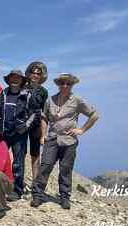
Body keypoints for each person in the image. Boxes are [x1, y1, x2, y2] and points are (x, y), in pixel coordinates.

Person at [31, 73, 99, 209]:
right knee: (45, 166)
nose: (65, 85)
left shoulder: (77, 100)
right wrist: (43, 135)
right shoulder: (51, 100)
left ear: (72, 85)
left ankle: (64, 197)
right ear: (58, 84)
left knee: (66, 169)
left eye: (68, 83)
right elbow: (44, 117)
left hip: (69, 141)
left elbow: (94, 115)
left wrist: (81, 130)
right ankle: (38, 195)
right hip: (52, 138)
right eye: (62, 83)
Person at [0, 70, 34, 201]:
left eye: (18, 78)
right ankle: (1, 187)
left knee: (18, 163)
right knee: (1, 160)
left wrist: (26, 126)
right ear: (9, 79)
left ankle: (17, 190)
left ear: (22, 80)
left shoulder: (27, 94)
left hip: (19, 134)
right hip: (4, 132)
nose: (15, 80)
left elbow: (34, 113)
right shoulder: (4, 93)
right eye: (12, 77)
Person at [25, 61, 49, 179]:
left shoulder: (43, 91)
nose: (35, 75)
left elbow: (45, 112)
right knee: (20, 154)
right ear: (29, 74)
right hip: (22, 125)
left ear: (41, 76)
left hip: (36, 125)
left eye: (38, 73)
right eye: (33, 72)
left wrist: (43, 134)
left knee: (35, 154)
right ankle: (17, 182)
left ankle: (35, 183)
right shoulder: (22, 87)